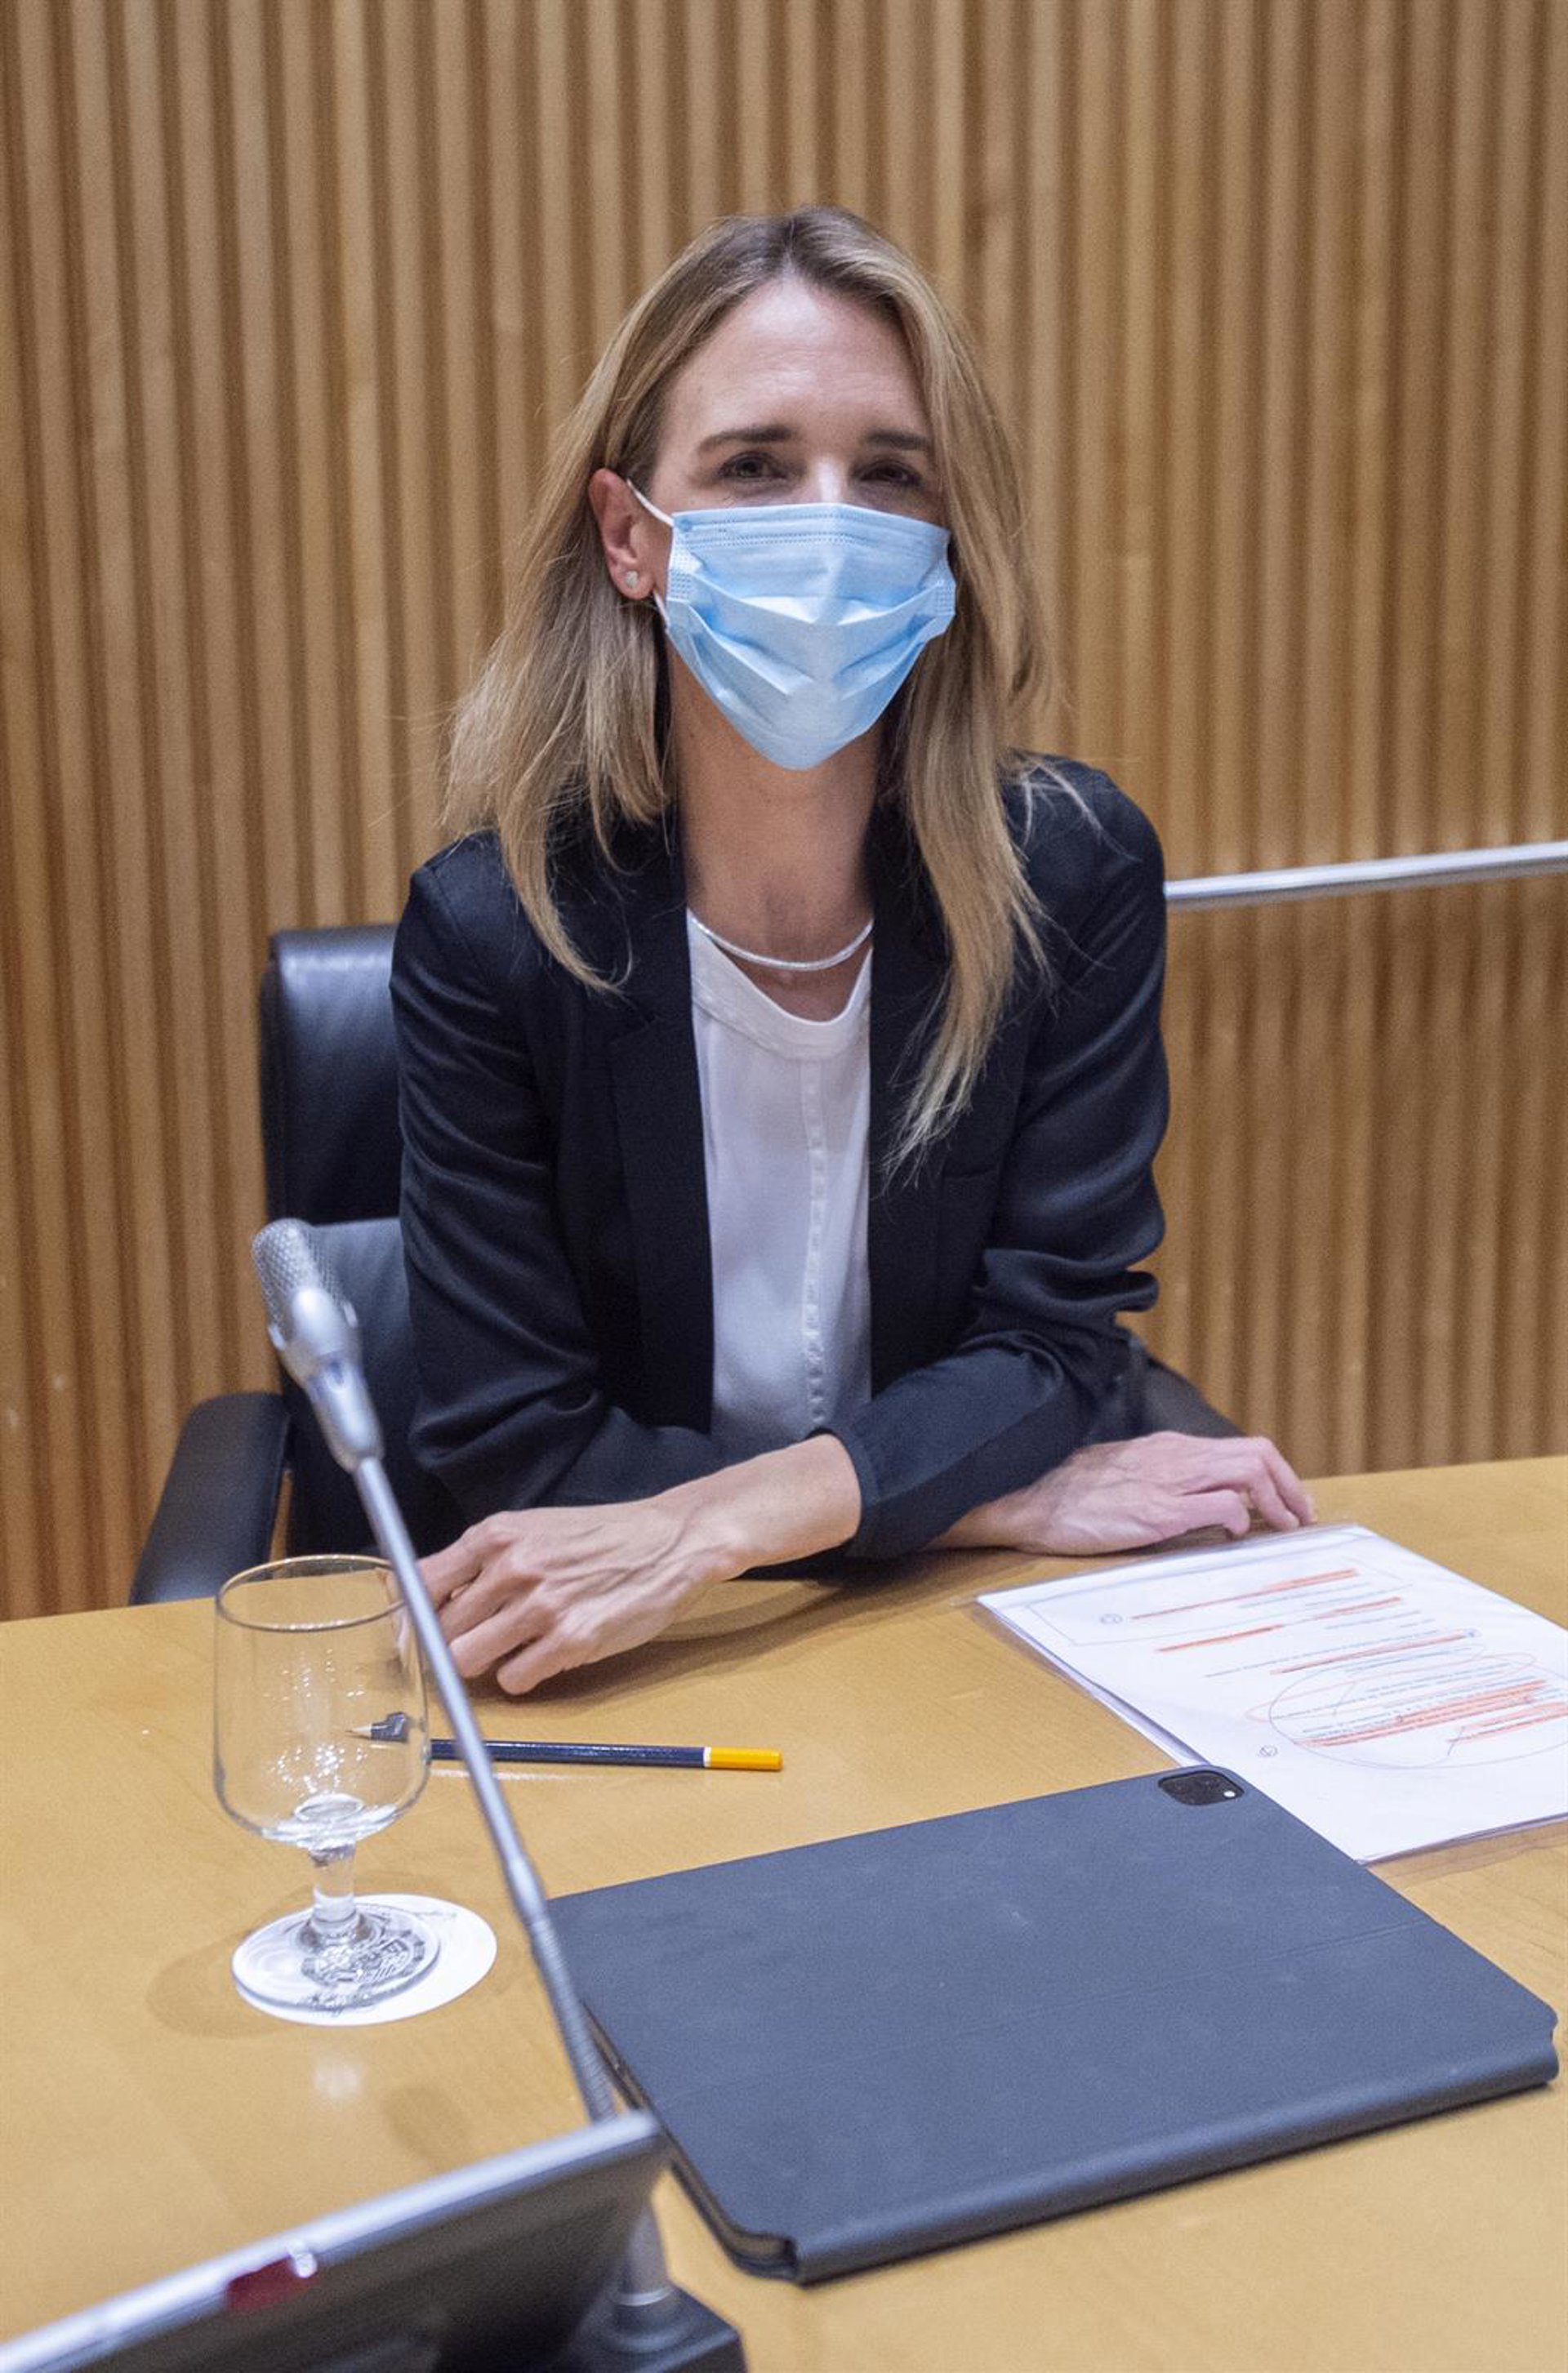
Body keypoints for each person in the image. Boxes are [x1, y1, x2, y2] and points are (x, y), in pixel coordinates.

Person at [390, 206, 1311, 1696]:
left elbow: (1052, 1346)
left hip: (960, 1647)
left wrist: (723, 1523)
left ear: (948, 550)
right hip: (650, 1659)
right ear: (631, 537)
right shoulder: (494, 933)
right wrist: (982, 1502)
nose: (830, 525)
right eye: (756, 467)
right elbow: (522, 1446)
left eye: (890, 474)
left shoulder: (1069, 872)